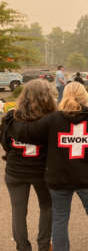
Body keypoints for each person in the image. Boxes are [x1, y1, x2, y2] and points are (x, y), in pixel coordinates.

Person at [11, 82, 88, 251]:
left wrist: (10, 118)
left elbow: (25, 133)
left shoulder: (53, 120)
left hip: (59, 180)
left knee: (60, 218)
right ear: (85, 96)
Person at [0, 79, 55, 251]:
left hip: (15, 170)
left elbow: (4, 142)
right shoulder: (51, 120)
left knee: (18, 210)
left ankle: (23, 247)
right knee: (47, 207)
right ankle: (44, 245)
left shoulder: (10, 118)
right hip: (42, 171)